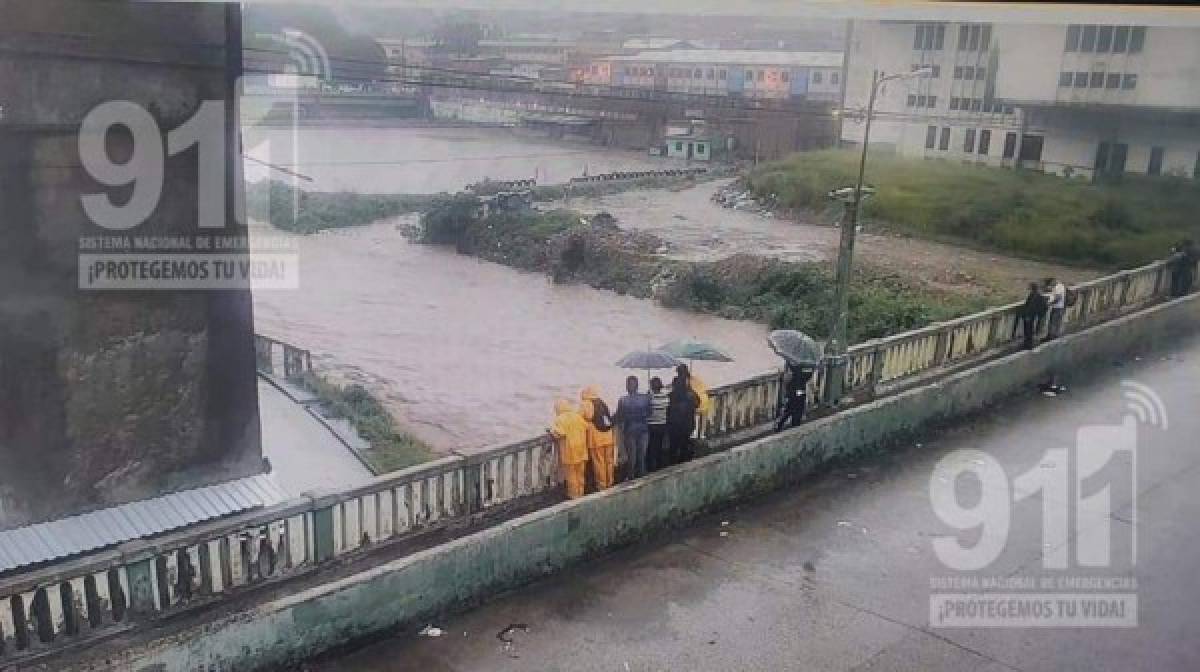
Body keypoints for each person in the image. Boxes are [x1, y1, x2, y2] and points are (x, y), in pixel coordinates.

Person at [549, 399, 589, 499]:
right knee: (580, 474)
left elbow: (560, 433)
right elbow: (586, 426)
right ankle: (581, 492)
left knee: (571, 475)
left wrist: (551, 431)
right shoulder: (577, 416)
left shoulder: (559, 419)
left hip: (569, 451)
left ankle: (574, 495)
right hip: (581, 449)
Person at [613, 376, 651, 479]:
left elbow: (619, 417)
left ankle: (631, 478)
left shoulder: (623, 400)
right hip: (643, 430)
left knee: (632, 458)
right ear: (637, 386)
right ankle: (642, 477)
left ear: (627, 386)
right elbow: (649, 413)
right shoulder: (645, 398)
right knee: (641, 457)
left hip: (630, 431)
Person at [579, 385, 615, 491]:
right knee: (609, 461)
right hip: (608, 436)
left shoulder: (586, 404)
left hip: (596, 438)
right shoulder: (602, 402)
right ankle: (610, 482)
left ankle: (602, 486)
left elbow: (578, 419)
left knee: (599, 463)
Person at [666, 376, 700, 464]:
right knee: (684, 446)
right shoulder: (691, 395)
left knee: (673, 447)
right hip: (687, 425)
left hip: (674, 426)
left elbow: (668, 410)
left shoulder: (671, 396)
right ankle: (683, 461)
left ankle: (673, 463)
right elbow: (697, 404)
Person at [775, 364, 814, 431]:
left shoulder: (794, 367)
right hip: (800, 393)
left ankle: (780, 425)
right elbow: (808, 377)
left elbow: (787, 380)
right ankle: (795, 425)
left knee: (789, 410)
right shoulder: (808, 369)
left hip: (793, 392)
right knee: (797, 411)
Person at [647, 376, 670, 472]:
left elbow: (647, 410)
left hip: (651, 425)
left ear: (652, 386)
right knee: (659, 445)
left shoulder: (650, 398)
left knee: (651, 447)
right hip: (662, 425)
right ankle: (659, 465)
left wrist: (648, 394)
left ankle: (651, 467)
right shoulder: (665, 397)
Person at [1020, 282, 1048, 350]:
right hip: (1032, 316)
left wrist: (1027, 315)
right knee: (1029, 330)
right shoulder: (1038, 295)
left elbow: (1030, 307)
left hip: (1029, 316)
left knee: (1028, 331)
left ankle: (1028, 345)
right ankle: (1028, 344)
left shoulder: (1033, 296)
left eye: (1029, 287)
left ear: (1032, 288)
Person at [1044, 276, 1067, 341]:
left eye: (1051, 283)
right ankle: (1055, 335)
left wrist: (1050, 303)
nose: (1051, 285)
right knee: (1057, 322)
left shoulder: (1058, 287)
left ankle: (1051, 336)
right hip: (1059, 307)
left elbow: (1058, 298)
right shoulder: (1060, 286)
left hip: (1057, 307)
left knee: (1053, 322)